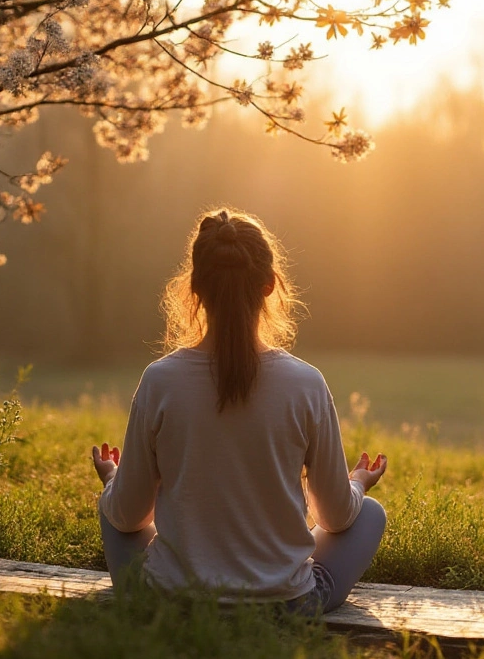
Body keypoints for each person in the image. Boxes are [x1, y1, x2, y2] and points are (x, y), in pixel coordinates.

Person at [89, 208, 387, 616]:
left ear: (195, 287)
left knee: (112, 507)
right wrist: (357, 483)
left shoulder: (160, 380)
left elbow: (128, 517)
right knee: (367, 514)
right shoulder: (306, 383)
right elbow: (334, 518)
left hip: (172, 602)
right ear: (269, 286)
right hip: (286, 605)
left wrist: (112, 479)